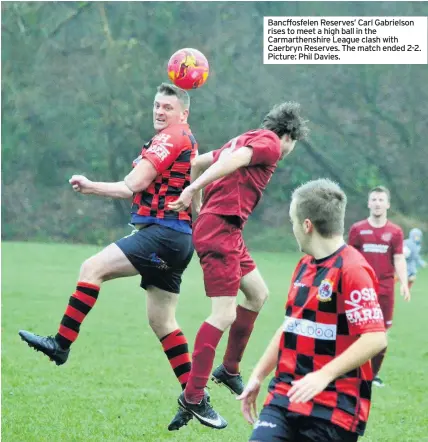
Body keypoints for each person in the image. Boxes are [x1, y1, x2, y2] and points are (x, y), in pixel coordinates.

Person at [18, 82, 198, 431]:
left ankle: (60, 344)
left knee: (92, 267)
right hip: (177, 240)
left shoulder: (172, 138)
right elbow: (195, 185)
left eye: (168, 107)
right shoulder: (188, 139)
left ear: (183, 113)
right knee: (163, 322)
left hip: (162, 235)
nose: (160, 111)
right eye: (157, 105)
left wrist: (89, 186)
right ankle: (195, 398)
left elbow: (133, 184)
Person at [167, 101, 310, 429]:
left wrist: (198, 207)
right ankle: (193, 396)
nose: (290, 150)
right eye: (295, 143)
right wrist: (192, 191)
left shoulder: (248, 137)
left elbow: (198, 162)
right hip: (220, 229)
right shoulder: (270, 145)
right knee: (223, 314)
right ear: (288, 135)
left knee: (257, 294)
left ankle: (229, 368)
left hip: (225, 228)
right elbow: (237, 161)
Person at [237, 178, 388, 442]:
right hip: (285, 396)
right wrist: (258, 375)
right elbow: (291, 325)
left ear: (307, 225)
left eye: (293, 221)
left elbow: (375, 337)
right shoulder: (304, 266)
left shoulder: (352, 269)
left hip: (334, 406)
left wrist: (324, 375)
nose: (292, 228)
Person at [348, 185, 410, 387]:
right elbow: (350, 258)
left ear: (388, 204)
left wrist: (404, 283)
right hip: (360, 289)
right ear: (368, 203)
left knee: (381, 333)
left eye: (381, 200)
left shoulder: (395, 232)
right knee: (356, 331)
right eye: (374, 199)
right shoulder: (358, 229)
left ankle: (372, 375)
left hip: (385, 290)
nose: (377, 203)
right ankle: (353, 370)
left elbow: (399, 258)